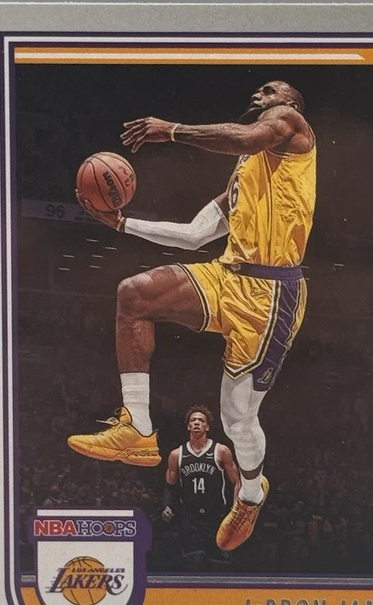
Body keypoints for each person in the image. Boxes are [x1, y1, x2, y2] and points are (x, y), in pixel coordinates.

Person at [68, 80, 316, 551]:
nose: (260, 92)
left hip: (271, 294)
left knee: (237, 420)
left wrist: (172, 130)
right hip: (227, 275)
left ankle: (250, 494)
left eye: (271, 89)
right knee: (134, 295)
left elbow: (249, 137)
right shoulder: (245, 174)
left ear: (290, 103)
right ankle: (138, 429)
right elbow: (194, 235)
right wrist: (122, 223)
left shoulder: (291, 125)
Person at [161, 406, 240, 570]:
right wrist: (167, 506)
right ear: (188, 426)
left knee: (219, 565)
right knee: (195, 561)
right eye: (193, 420)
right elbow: (170, 485)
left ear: (207, 427)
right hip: (190, 517)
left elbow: (236, 482)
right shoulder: (177, 454)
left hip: (217, 515)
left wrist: (235, 509)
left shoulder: (221, 451)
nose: (197, 422)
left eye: (201, 420)